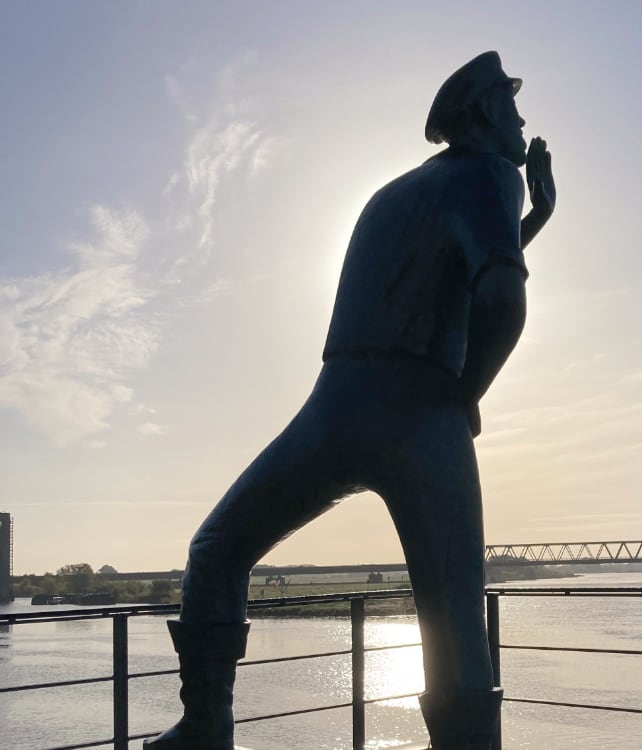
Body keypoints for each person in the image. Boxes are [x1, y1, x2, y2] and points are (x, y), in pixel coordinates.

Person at [145, 51, 555, 750]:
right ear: (485, 115)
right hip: (422, 405)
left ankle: (204, 728)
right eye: (513, 110)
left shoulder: (395, 193)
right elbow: (501, 298)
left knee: (216, 550)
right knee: (453, 614)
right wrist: (466, 396)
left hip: (337, 404)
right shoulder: (492, 175)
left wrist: (536, 217)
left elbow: (451, 268)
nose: (523, 125)